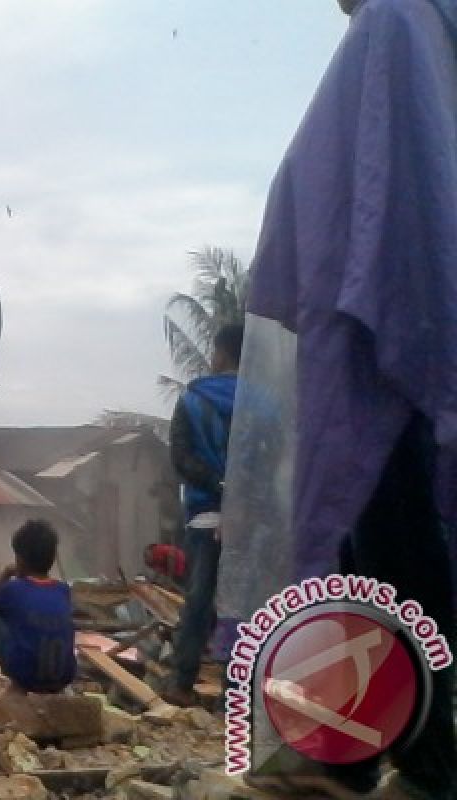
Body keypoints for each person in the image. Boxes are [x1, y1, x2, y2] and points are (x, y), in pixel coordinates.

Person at [228, 1, 457, 796]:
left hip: (382, 338)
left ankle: (424, 756)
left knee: (387, 549)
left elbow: (374, 198)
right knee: (373, 551)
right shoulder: (428, 35)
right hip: (414, 330)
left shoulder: (394, 24)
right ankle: (353, 753)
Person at [164, 323, 241, 707]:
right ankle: (236, 692)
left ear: (222, 353)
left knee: (198, 600)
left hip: (204, 515)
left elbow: (181, 459)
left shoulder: (192, 399)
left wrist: (216, 486)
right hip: (251, 522)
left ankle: (182, 683)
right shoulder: (266, 403)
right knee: (241, 603)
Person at [0, 520, 75, 694]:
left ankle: (17, 687)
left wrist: (6, 573)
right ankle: (58, 693)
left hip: (27, 677)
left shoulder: (14, 589)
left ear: (20, 559)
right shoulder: (63, 590)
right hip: (64, 678)